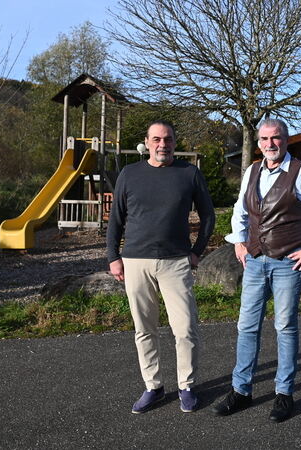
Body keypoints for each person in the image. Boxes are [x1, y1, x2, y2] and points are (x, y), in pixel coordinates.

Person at [211, 118, 301, 423]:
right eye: (265, 139)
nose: (270, 144)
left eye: (276, 138)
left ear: (286, 140)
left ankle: (284, 393)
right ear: (258, 143)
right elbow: (240, 209)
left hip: (287, 262)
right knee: (247, 326)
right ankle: (240, 391)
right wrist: (239, 241)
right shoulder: (252, 171)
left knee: (284, 327)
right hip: (254, 260)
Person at [106, 120, 215, 414]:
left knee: (185, 328)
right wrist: (113, 257)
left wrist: (196, 252)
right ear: (147, 141)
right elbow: (115, 219)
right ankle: (153, 386)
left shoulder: (189, 173)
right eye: (156, 139)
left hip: (176, 262)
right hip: (135, 261)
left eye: (167, 139)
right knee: (144, 329)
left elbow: (208, 216)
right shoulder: (129, 174)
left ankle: (187, 386)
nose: (162, 145)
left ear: (174, 142)